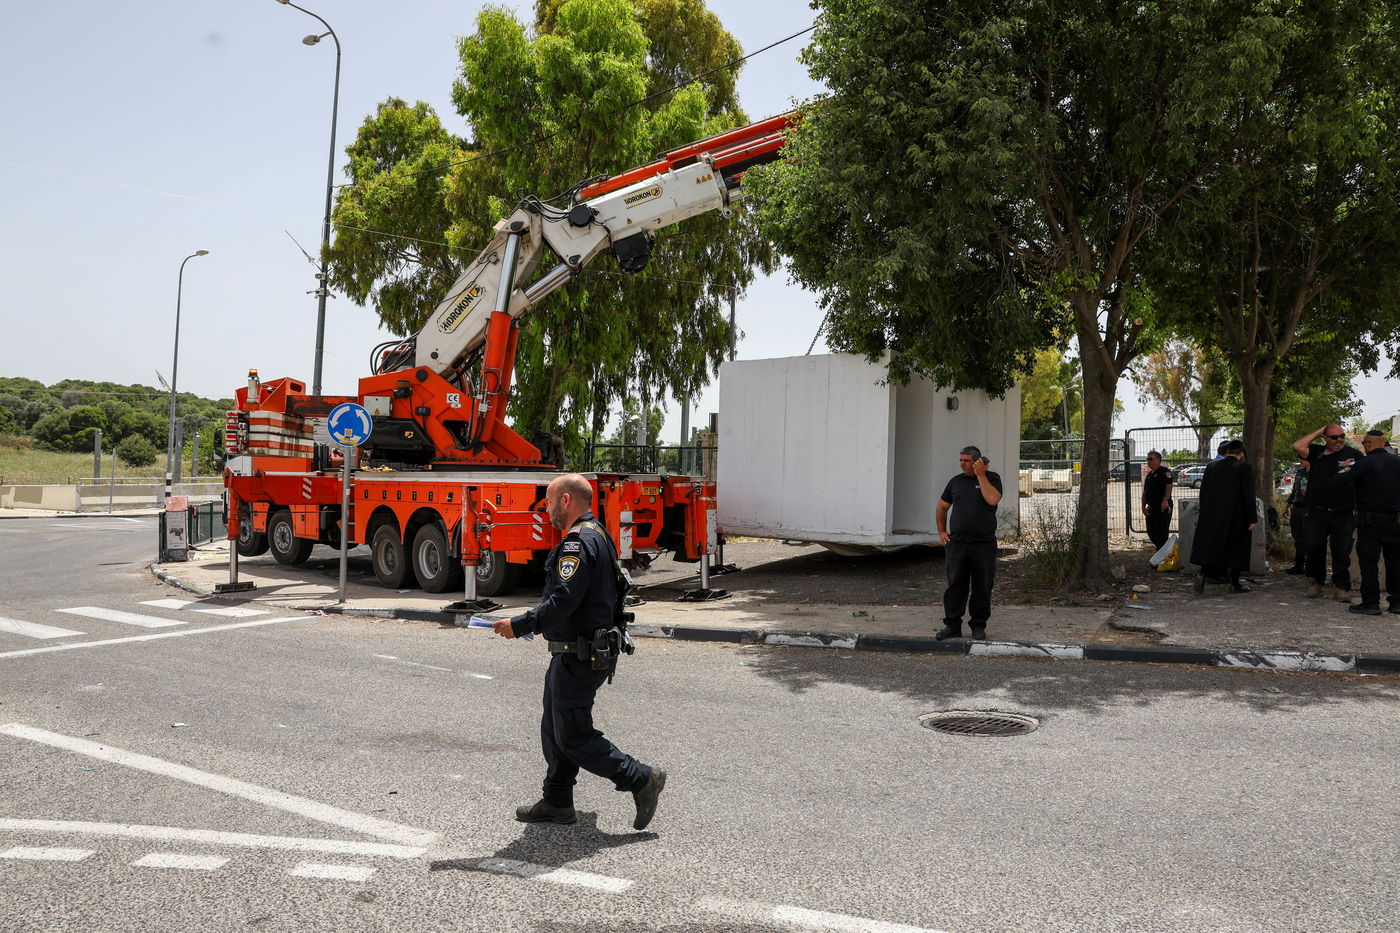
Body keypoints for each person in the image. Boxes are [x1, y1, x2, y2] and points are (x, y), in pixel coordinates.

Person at [492, 473, 666, 830]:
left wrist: (520, 624)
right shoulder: (598, 534)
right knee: (554, 728)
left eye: (549, 501)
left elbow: (563, 601)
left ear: (567, 501)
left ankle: (641, 777)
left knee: (572, 735)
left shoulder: (577, 542)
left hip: (580, 653)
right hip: (577, 650)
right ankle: (557, 801)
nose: (546, 508)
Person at [934, 446, 1003, 640]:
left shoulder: (993, 478)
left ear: (977, 461)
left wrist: (981, 475)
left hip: (983, 543)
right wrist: (941, 531)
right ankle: (952, 625)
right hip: (957, 543)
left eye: (966, 460)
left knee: (982, 585)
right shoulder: (956, 482)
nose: (962, 464)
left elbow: (992, 499)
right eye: (960, 460)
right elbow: (942, 506)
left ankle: (978, 626)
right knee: (955, 584)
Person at [1292, 424, 1364, 602]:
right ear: (1325, 438)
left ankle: (1341, 587)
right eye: (1334, 437)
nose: (1339, 439)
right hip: (1317, 511)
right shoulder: (1316, 452)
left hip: (1343, 512)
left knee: (1341, 551)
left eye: (1342, 436)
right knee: (1314, 548)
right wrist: (1318, 430)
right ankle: (1315, 582)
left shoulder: (1354, 454)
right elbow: (1297, 446)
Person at [1335, 430, 1400, 615]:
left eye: (1364, 443)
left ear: (1369, 444)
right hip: (1395, 521)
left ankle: (1371, 603)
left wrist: (1346, 467)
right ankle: (1396, 602)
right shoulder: (1398, 462)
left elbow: (1339, 481)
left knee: (1369, 561)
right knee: (1395, 562)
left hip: (1370, 521)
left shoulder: (1363, 463)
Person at [1190, 440, 1258, 594]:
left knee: (1212, 545)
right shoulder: (1244, 468)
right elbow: (1248, 495)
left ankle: (1202, 574)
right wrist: (1252, 518)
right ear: (1241, 454)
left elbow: (1204, 492)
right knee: (1237, 548)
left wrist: (1206, 513)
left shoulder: (1212, 466)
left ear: (1227, 452)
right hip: (1237, 516)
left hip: (1213, 515)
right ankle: (1235, 583)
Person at [1141, 451, 1175, 551]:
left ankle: (1162, 556)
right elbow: (1145, 492)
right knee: (1150, 531)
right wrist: (1143, 506)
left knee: (1161, 532)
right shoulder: (1149, 476)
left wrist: (1165, 500)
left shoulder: (1165, 472)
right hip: (1151, 507)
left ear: (1158, 460)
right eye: (1147, 459)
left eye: (1150, 459)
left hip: (1162, 507)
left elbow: (1169, 486)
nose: (1148, 461)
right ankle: (1162, 551)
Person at [1282, 458, 1310, 574]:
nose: (1300, 460)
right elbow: (1294, 491)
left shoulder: (1316, 473)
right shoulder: (1300, 472)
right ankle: (1299, 565)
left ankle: (1310, 566)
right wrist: (1287, 506)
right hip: (1296, 508)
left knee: (1308, 538)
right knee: (1297, 537)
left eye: (1303, 458)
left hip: (1308, 508)